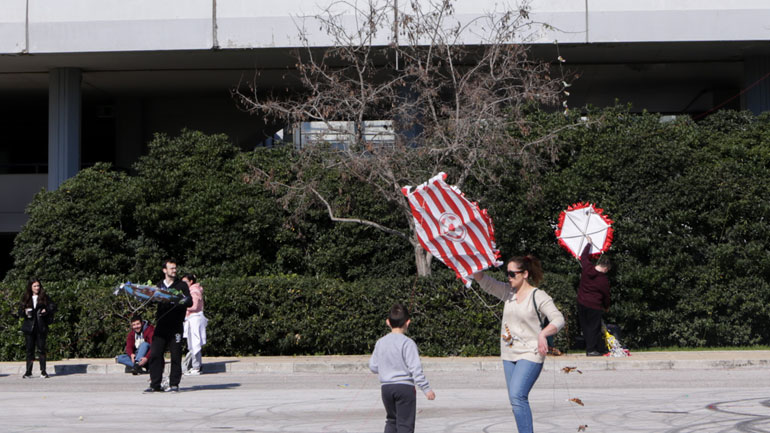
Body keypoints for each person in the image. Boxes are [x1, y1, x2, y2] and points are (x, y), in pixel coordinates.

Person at [473, 256, 564, 433]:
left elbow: (558, 319)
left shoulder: (538, 296)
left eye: (512, 274)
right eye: (507, 273)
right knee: (516, 400)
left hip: (531, 353)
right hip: (509, 354)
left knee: (517, 395)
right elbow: (483, 280)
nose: (509, 277)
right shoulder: (508, 293)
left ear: (525, 274)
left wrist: (543, 334)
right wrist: (477, 260)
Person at [369, 303, 435, 433]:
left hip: (386, 388)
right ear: (408, 322)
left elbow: (373, 366)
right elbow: (415, 369)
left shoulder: (380, 342)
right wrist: (426, 389)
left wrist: (385, 369)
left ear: (388, 322)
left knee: (391, 420)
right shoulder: (408, 343)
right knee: (405, 424)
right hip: (404, 388)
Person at [145, 259, 191, 393]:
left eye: (175, 268)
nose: (174, 270)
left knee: (176, 355)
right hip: (161, 325)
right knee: (155, 354)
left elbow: (189, 302)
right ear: (164, 270)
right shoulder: (159, 285)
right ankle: (155, 384)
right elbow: (151, 301)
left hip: (176, 325)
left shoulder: (182, 285)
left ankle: (174, 384)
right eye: (171, 268)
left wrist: (179, 300)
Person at [577, 237, 611, 356]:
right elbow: (606, 295)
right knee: (594, 328)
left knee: (585, 327)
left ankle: (592, 348)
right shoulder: (603, 280)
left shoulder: (587, 268)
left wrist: (588, 244)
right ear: (606, 268)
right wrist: (606, 306)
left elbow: (583, 257)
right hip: (594, 305)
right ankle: (591, 350)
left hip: (581, 302)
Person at [18, 278, 56, 378]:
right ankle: (28, 371)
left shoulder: (44, 297)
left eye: (38, 286)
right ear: (30, 287)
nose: (37, 288)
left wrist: (46, 310)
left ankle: (43, 371)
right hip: (29, 327)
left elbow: (53, 307)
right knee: (29, 350)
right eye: (34, 286)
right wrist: (25, 312)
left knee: (41, 349)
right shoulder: (26, 297)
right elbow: (20, 311)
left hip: (41, 326)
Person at [182, 273, 207, 376]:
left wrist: (181, 306)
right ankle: (196, 365)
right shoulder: (193, 290)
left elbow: (194, 306)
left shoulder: (194, 291)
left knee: (194, 343)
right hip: (192, 319)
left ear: (191, 281)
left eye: (185, 282)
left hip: (195, 319)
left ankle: (196, 367)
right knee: (193, 344)